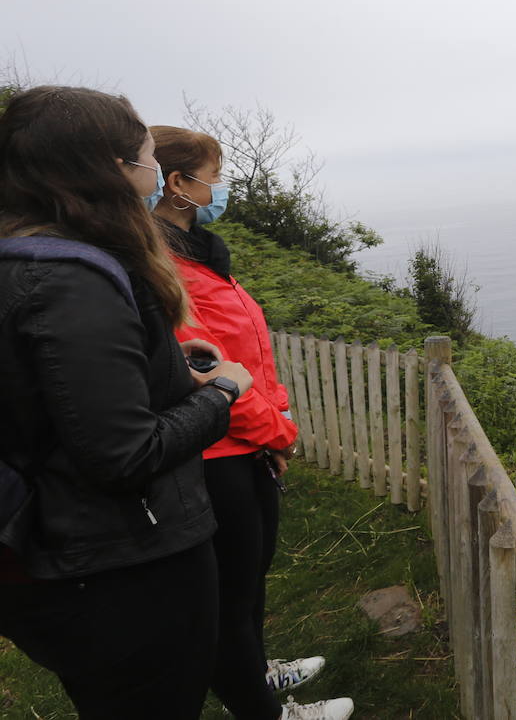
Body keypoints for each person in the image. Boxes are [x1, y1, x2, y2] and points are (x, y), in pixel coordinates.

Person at [0, 86, 246, 717]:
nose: (154, 171)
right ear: (111, 170)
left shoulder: (28, 253)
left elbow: (56, 395)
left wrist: (171, 377)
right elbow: (123, 454)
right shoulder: (68, 279)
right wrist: (221, 393)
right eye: (146, 157)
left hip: (67, 553)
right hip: (116, 562)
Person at [150, 125, 353, 720]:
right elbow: (207, 365)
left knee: (251, 574)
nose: (220, 186)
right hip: (212, 453)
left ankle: (256, 670)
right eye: (213, 175)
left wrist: (276, 418)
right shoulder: (161, 266)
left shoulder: (200, 251)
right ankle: (262, 709)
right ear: (178, 183)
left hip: (246, 443)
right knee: (228, 595)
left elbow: (253, 351)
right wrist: (278, 431)